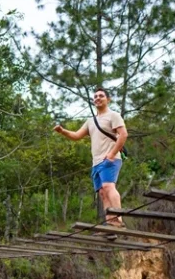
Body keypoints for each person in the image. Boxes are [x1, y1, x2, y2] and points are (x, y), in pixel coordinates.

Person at [53, 88, 128, 228]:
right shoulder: (91, 121)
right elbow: (76, 136)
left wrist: (111, 154)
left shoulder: (114, 115)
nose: (98, 98)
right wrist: (62, 131)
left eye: (101, 96)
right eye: (95, 96)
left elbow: (123, 135)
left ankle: (118, 219)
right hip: (96, 162)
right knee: (102, 192)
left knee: (108, 186)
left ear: (108, 99)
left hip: (110, 158)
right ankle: (110, 223)